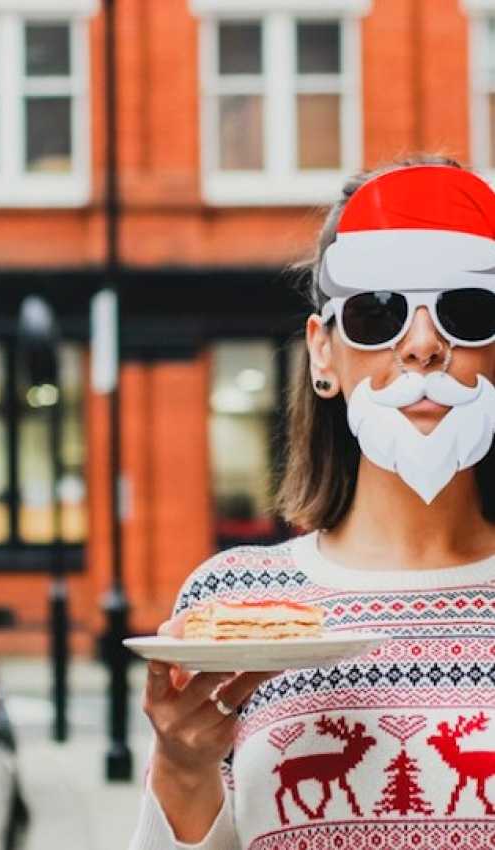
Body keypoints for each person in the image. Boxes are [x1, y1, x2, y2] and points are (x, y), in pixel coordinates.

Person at [128, 156, 495, 850]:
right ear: (323, 354)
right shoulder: (238, 604)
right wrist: (181, 767)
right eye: (377, 314)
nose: (422, 347)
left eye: (468, 312)